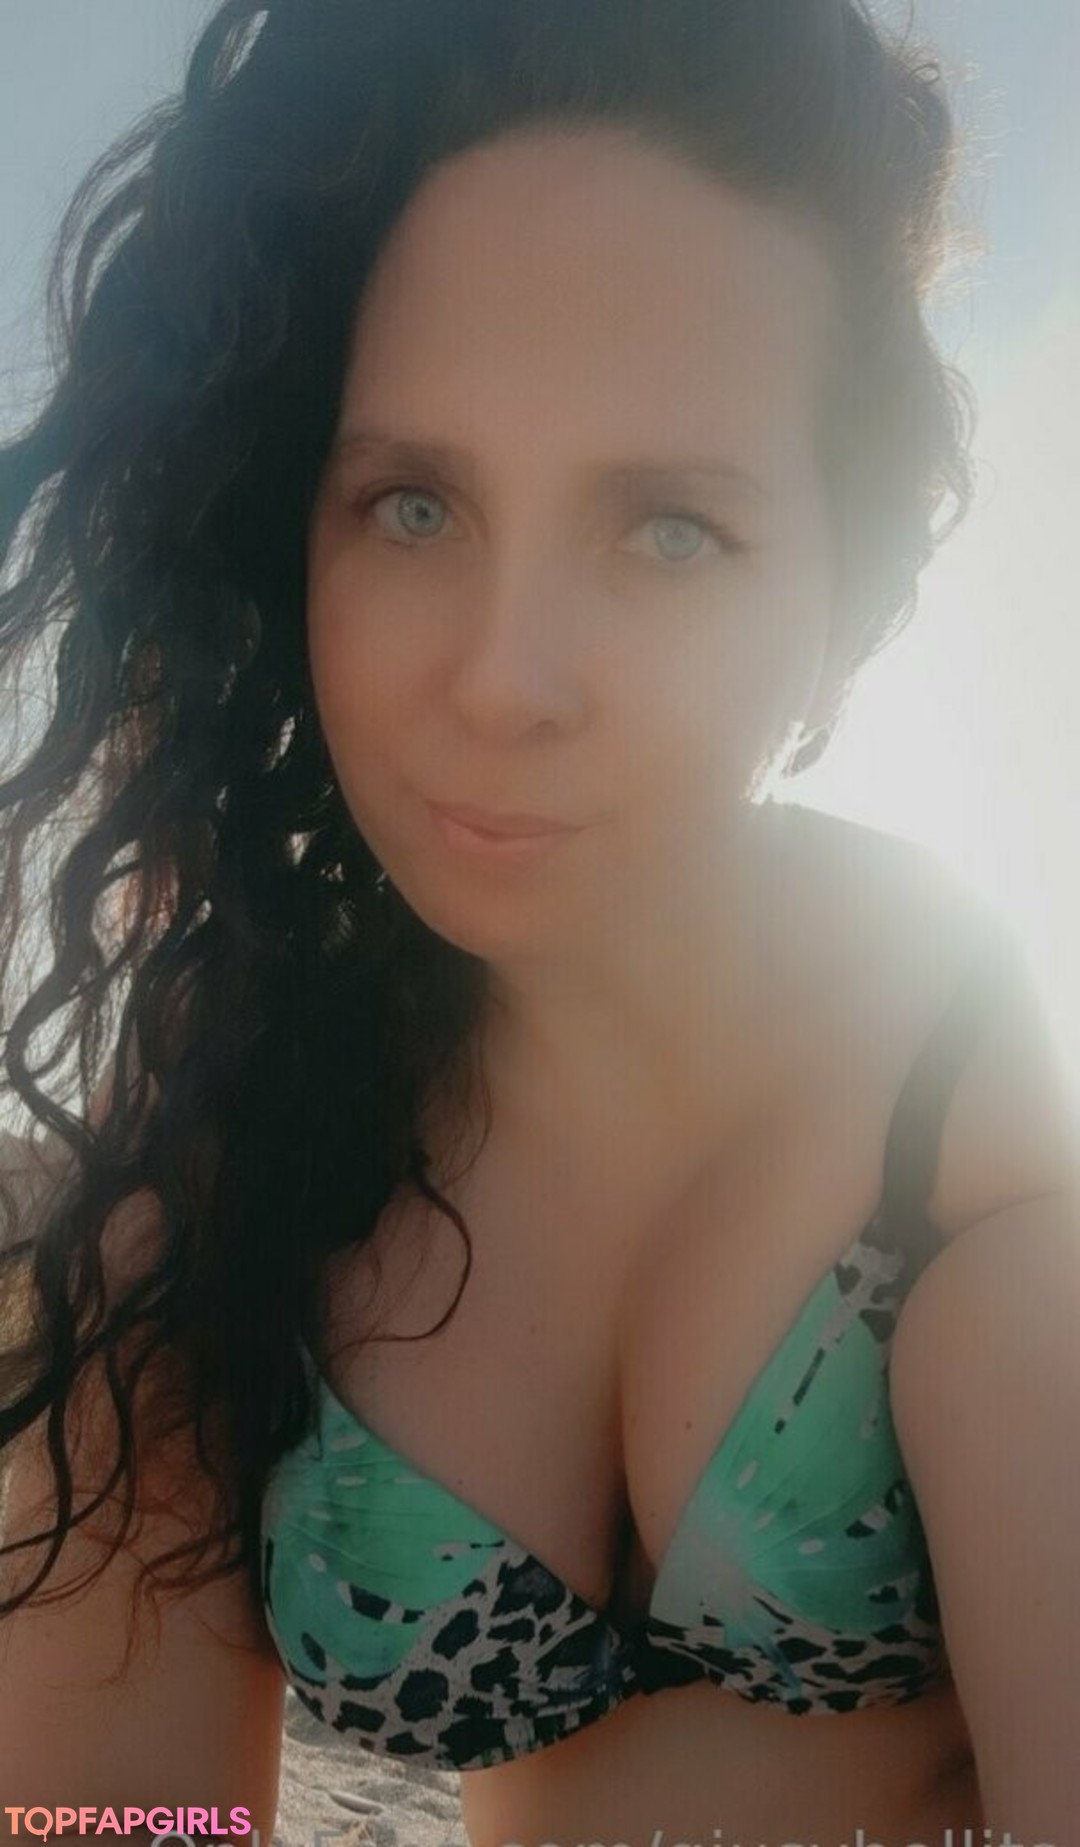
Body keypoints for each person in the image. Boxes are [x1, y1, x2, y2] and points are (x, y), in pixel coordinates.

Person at [0, 2, 1077, 1843]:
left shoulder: (972, 1094)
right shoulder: (227, 1143)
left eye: (669, 531)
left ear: (844, 592)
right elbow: (108, 1824)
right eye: (414, 505)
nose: (504, 680)